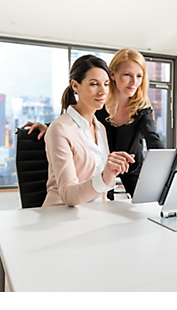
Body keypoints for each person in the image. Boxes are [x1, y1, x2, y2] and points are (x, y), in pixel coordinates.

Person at [24, 48, 164, 197]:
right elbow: (76, 122)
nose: (134, 82)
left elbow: (153, 138)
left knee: (144, 202)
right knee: (101, 191)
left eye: (139, 76)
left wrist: (167, 162)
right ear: (113, 75)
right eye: (127, 75)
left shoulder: (140, 110)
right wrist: (49, 127)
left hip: (130, 165)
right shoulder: (98, 105)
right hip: (102, 167)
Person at [42, 54, 134, 207]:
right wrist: (105, 177)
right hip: (62, 215)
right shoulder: (60, 129)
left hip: (96, 212)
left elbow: (101, 192)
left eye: (105, 84)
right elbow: (69, 196)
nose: (102, 91)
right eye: (94, 84)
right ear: (75, 86)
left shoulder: (101, 128)